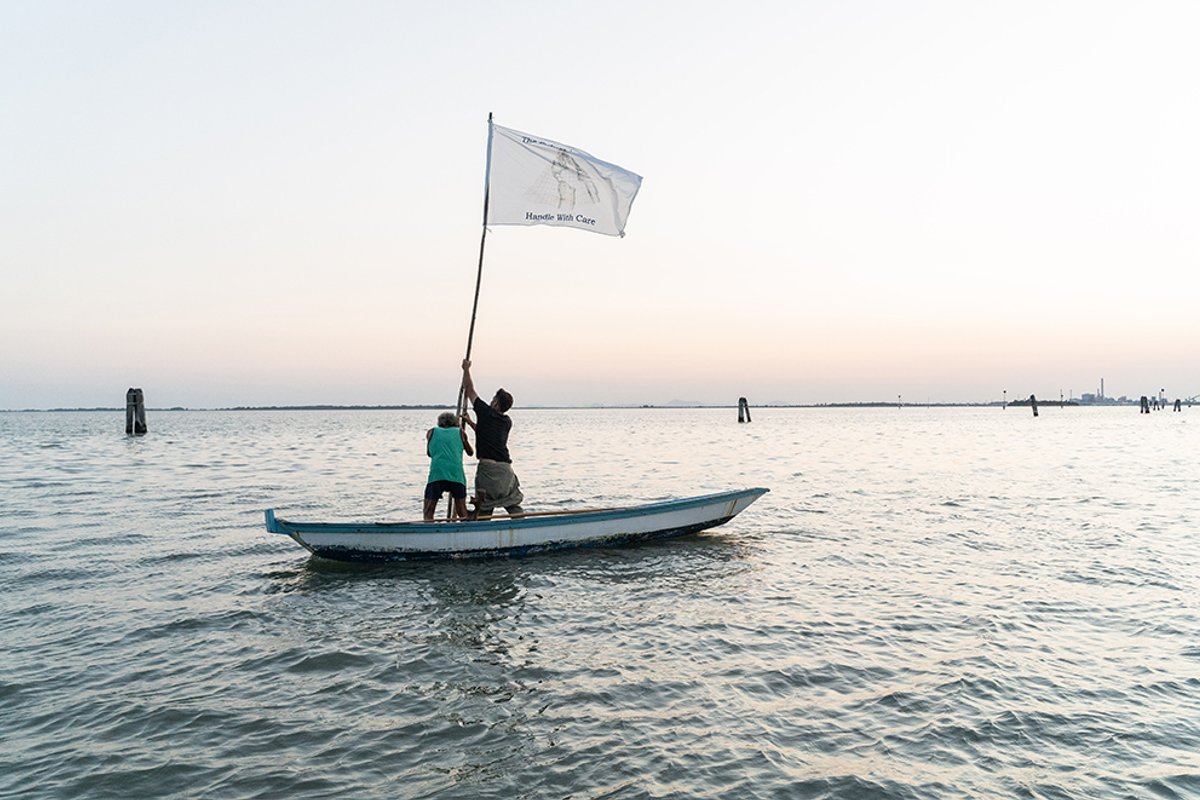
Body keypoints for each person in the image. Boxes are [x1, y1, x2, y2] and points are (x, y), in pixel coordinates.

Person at [461, 359, 524, 518]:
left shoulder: (486, 412)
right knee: (513, 505)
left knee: (485, 507)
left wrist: (466, 369)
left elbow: (469, 390)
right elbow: (486, 434)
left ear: (495, 403)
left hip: (488, 470)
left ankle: (481, 532)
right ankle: (521, 526)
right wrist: (470, 423)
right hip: (505, 469)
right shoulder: (507, 421)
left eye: (493, 400)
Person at [423, 411, 474, 521]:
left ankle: (428, 528)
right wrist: (461, 434)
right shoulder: (461, 433)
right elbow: (470, 452)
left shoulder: (431, 432)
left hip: (437, 474)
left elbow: (429, 453)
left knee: (429, 510)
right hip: (455, 474)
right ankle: (465, 529)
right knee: (461, 510)